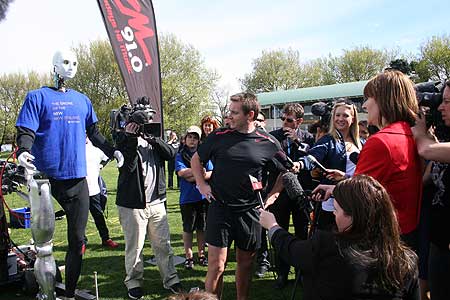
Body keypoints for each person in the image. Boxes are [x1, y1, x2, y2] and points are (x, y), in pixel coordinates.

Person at [15, 49, 123, 300]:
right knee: (43, 244)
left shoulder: (82, 100)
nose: (71, 67)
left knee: (77, 239)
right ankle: (46, 292)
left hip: (76, 178)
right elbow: (27, 129)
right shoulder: (37, 97)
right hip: (44, 177)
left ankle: (69, 294)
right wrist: (23, 150)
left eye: (74, 62)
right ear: (54, 65)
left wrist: (113, 150)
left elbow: (94, 133)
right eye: (65, 62)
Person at [191, 92, 291, 300]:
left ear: (250, 115)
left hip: (250, 212)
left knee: (245, 265)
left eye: (235, 112)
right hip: (220, 208)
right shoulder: (219, 136)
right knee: (217, 265)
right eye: (230, 111)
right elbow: (196, 159)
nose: (230, 116)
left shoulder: (268, 142)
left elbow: (286, 170)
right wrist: (202, 185)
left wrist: (272, 196)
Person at [260, 175, 419, 300]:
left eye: (336, 209)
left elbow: (293, 250)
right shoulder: (406, 260)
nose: (334, 213)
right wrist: (339, 190)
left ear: (353, 216)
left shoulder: (328, 246)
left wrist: (273, 226)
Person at [313, 70, 422, 250]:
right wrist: (334, 188)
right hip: (405, 236)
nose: (364, 105)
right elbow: (380, 185)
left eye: (368, 98)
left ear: (383, 100)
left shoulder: (380, 141)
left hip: (380, 240)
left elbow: (358, 196)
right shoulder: (407, 133)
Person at [115, 119, 182, 299]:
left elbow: (171, 153)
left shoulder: (155, 141)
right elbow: (127, 167)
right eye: (141, 123)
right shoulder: (123, 140)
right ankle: (134, 281)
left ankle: (171, 279)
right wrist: (130, 138)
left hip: (157, 202)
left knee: (163, 244)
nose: (145, 126)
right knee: (135, 247)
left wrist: (153, 138)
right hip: (132, 204)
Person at [266, 103, 314, 288]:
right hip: (280, 193)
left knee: (302, 233)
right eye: (283, 119)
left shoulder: (308, 138)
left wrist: (297, 142)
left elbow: (313, 159)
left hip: (301, 191)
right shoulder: (273, 137)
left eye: (289, 120)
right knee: (279, 230)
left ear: (299, 121)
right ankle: (282, 273)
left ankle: (302, 273)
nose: (285, 123)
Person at [296, 99, 363, 231]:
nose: (340, 119)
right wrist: (300, 164)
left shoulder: (362, 143)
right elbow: (313, 156)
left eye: (345, 115)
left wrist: (345, 177)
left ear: (353, 118)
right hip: (332, 205)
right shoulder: (328, 140)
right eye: (337, 115)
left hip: (354, 202)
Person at [412, 79, 450, 300]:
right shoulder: (442, 141)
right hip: (438, 241)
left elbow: (426, 149)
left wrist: (419, 129)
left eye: (446, 102)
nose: (440, 107)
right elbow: (425, 179)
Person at [176, 125, 213, 270]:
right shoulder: (180, 155)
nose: (192, 140)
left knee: (201, 227)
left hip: (202, 197)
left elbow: (211, 172)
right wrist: (198, 172)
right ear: (185, 139)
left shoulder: (203, 154)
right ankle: (189, 256)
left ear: (199, 140)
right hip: (187, 198)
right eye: (189, 137)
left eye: (195, 138)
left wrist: (195, 174)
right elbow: (182, 173)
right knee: (188, 228)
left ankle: (202, 254)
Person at [85, 137, 118, 249]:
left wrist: (101, 165)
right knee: (80, 219)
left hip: (94, 189)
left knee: (99, 216)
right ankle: (81, 242)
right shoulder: (76, 149)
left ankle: (106, 238)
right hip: (79, 190)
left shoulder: (95, 150)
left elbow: (108, 156)